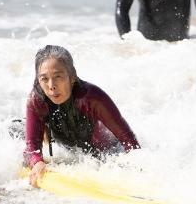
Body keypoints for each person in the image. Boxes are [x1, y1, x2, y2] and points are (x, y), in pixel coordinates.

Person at [24, 45, 140, 186]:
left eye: (58, 76)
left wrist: (137, 173)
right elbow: (31, 148)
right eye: (44, 79)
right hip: (69, 150)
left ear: (72, 77)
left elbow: (129, 142)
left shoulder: (92, 97)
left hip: (105, 152)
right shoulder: (36, 101)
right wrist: (37, 162)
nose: (51, 85)